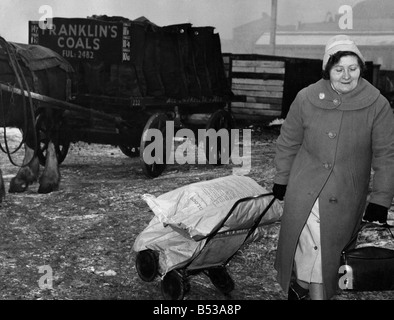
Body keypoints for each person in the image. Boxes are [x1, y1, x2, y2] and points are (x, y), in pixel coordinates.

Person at [272, 34, 394, 300]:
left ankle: (305, 291)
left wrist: (381, 200)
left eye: (353, 68)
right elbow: (288, 142)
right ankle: (301, 289)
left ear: (362, 68)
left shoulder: (378, 105)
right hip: (304, 194)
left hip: (345, 197)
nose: (347, 75)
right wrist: (282, 178)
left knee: (325, 263)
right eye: (339, 69)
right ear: (328, 69)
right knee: (307, 256)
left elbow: (387, 156)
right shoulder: (306, 98)